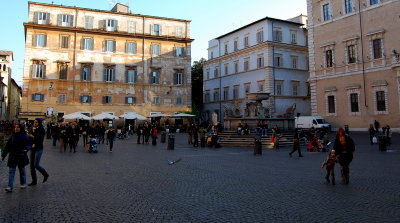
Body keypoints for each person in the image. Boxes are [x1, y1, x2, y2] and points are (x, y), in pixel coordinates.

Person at [1, 124, 31, 192]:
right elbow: (7, 146)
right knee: (11, 171)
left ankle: (23, 183)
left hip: (21, 156)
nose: (16, 128)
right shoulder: (12, 136)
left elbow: (28, 144)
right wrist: (3, 155)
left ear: (21, 128)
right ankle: (10, 186)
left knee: (22, 170)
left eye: (18, 127)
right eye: (15, 127)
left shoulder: (24, 136)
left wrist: (26, 149)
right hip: (13, 156)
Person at [28, 119, 49, 186]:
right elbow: (28, 135)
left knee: (36, 165)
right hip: (32, 148)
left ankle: (45, 174)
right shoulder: (31, 128)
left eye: (36, 122)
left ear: (39, 123)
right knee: (31, 166)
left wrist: (32, 135)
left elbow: (39, 139)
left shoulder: (41, 130)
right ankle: (34, 181)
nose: (35, 123)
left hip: (39, 148)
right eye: (34, 122)